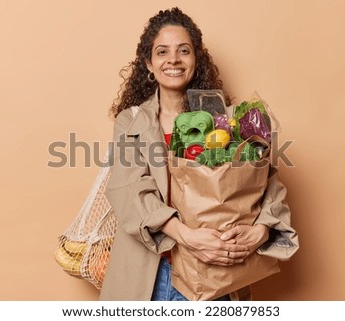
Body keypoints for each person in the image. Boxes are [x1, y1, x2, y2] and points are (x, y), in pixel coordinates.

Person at [101, 7, 298, 301]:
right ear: (148, 64)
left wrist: (261, 230)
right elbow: (127, 189)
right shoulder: (131, 122)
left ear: (196, 59)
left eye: (184, 50)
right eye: (162, 52)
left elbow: (267, 183)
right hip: (152, 273)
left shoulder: (226, 120)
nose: (173, 60)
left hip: (216, 269)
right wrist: (185, 235)